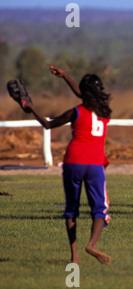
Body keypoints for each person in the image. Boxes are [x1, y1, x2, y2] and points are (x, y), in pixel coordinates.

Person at [24, 64, 112, 264]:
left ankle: (74, 255)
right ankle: (92, 245)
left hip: (72, 161)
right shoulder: (106, 113)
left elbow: (48, 124)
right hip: (95, 164)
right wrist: (65, 76)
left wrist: (31, 108)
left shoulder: (76, 111)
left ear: (84, 92)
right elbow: (86, 94)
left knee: (71, 208)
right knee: (99, 209)